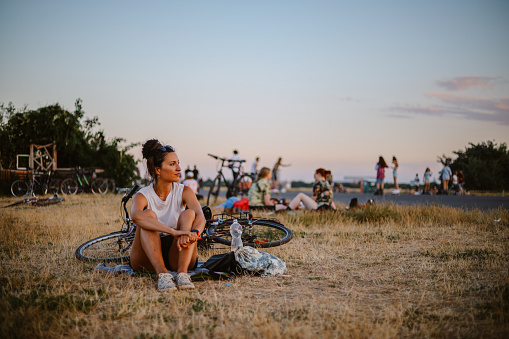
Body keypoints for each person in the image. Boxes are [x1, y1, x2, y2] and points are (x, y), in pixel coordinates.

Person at [130, 140, 206, 291]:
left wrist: (193, 233)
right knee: (148, 215)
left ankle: (182, 274)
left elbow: (200, 217)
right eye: (172, 164)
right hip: (147, 256)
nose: (179, 168)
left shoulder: (184, 191)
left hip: (177, 250)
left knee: (189, 214)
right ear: (158, 170)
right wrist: (173, 231)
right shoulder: (143, 195)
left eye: (178, 163)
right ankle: (162, 275)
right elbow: (136, 216)